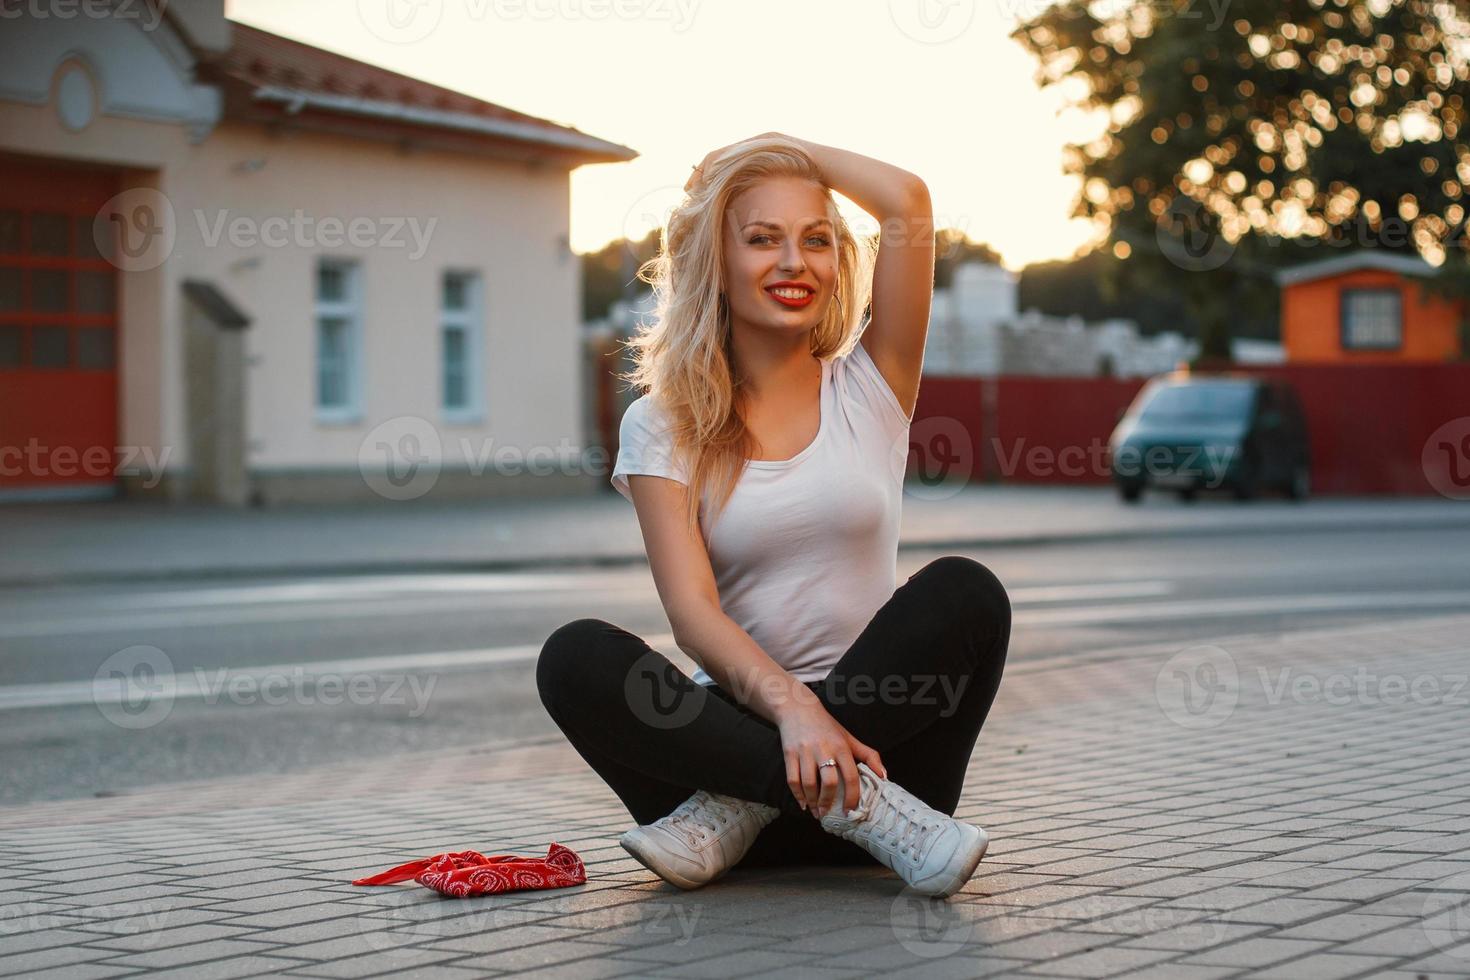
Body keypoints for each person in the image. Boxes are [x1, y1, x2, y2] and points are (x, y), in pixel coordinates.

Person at [537, 133, 1011, 899]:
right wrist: (792, 715)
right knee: (575, 657)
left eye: (816, 241)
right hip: (747, 756)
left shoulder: (872, 388)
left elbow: (907, 203)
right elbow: (692, 615)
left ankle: (741, 812)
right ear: (715, 264)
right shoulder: (663, 423)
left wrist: (780, 146)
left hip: (888, 765)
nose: (795, 262)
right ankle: (787, 798)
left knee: (967, 591)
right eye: (762, 239)